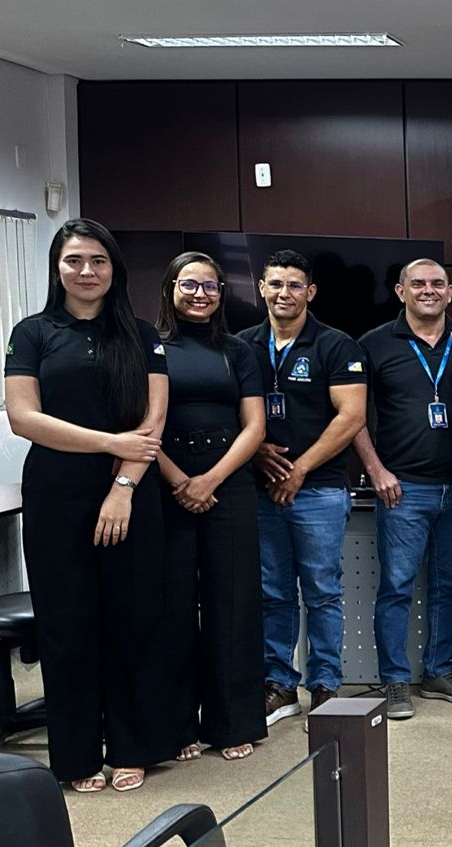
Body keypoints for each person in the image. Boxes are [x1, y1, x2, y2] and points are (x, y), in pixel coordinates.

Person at [4, 219, 174, 793]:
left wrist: (122, 486)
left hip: (130, 491)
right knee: (66, 625)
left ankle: (132, 748)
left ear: (113, 269)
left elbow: (152, 422)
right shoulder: (33, 333)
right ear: (57, 268)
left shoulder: (141, 334)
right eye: (74, 260)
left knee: (133, 620)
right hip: (56, 494)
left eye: (98, 260)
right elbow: (24, 418)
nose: (86, 271)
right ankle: (76, 758)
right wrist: (109, 442)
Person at [238, 250, 367, 727]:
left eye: (294, 285)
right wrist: (255, 451)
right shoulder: (242, 345)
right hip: (259, 489)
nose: (284, 294)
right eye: (275, 284)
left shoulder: (336, 345)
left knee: (321, 592)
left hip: (319, 491)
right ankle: (279, 684)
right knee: (272, 591)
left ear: (310, 292)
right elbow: (229, 410)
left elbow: (351, 417)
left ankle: (325, 684)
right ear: (261, 289)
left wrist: (299, 470)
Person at [352, 259, 452, 720]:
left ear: (450, 292)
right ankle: (394, 680)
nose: (429, 290)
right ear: (400, 291)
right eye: (419, 283)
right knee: (397, 588)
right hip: (402, 488)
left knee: (450, 585)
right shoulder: (373, 344)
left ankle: (438, 672)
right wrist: (376, 470)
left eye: (438, 284)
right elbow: (353, 417)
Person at [154, 251, 267, 762]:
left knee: (233, 601)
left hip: (229, 480)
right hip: (165, 477)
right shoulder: (149, 345)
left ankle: (232, 723)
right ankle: (178, 726)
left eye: (211, 286)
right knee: (172, 604)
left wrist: (211, 479)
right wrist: (180, 480)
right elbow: (138, 423)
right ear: (170, 288)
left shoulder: (237, 350)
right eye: (190, 285)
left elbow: (255, 427)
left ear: (222, 293)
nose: (200, 294)